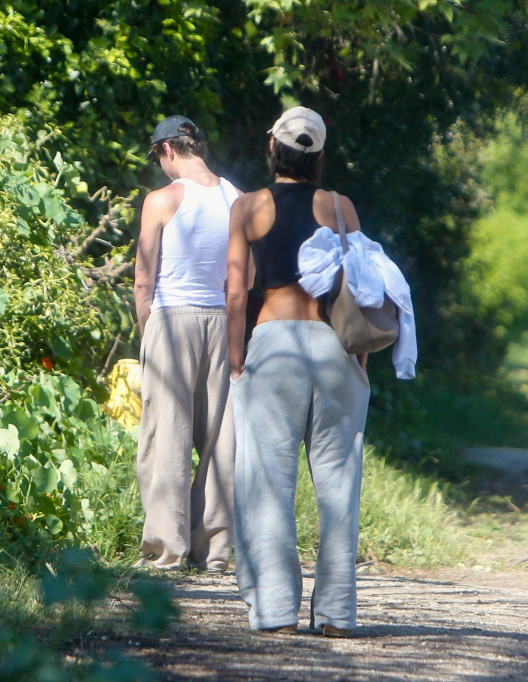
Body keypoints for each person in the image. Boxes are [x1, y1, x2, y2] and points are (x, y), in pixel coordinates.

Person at [225, 106, 371, 637]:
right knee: (338, 484)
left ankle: (276, 610)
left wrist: (236, 359)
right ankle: (336, 615)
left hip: (274, 345)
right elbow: (362, 283)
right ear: (320, 157)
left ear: (272, 149)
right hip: (333, 346)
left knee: (268, 481)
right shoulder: (339, 206)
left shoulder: (248, 207)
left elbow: (236, 291)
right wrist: (361, 358)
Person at [133, 115, 246, 573]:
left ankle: (167, 549)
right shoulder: (238, 198)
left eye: (157, 158)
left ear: (168, 150)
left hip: (172, 319)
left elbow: (144, 278)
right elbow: (247, 277)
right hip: (221, 318)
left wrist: (149, 332)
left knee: (167, 436)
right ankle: (215, 550)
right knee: (221, 438)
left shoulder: (162, 200)